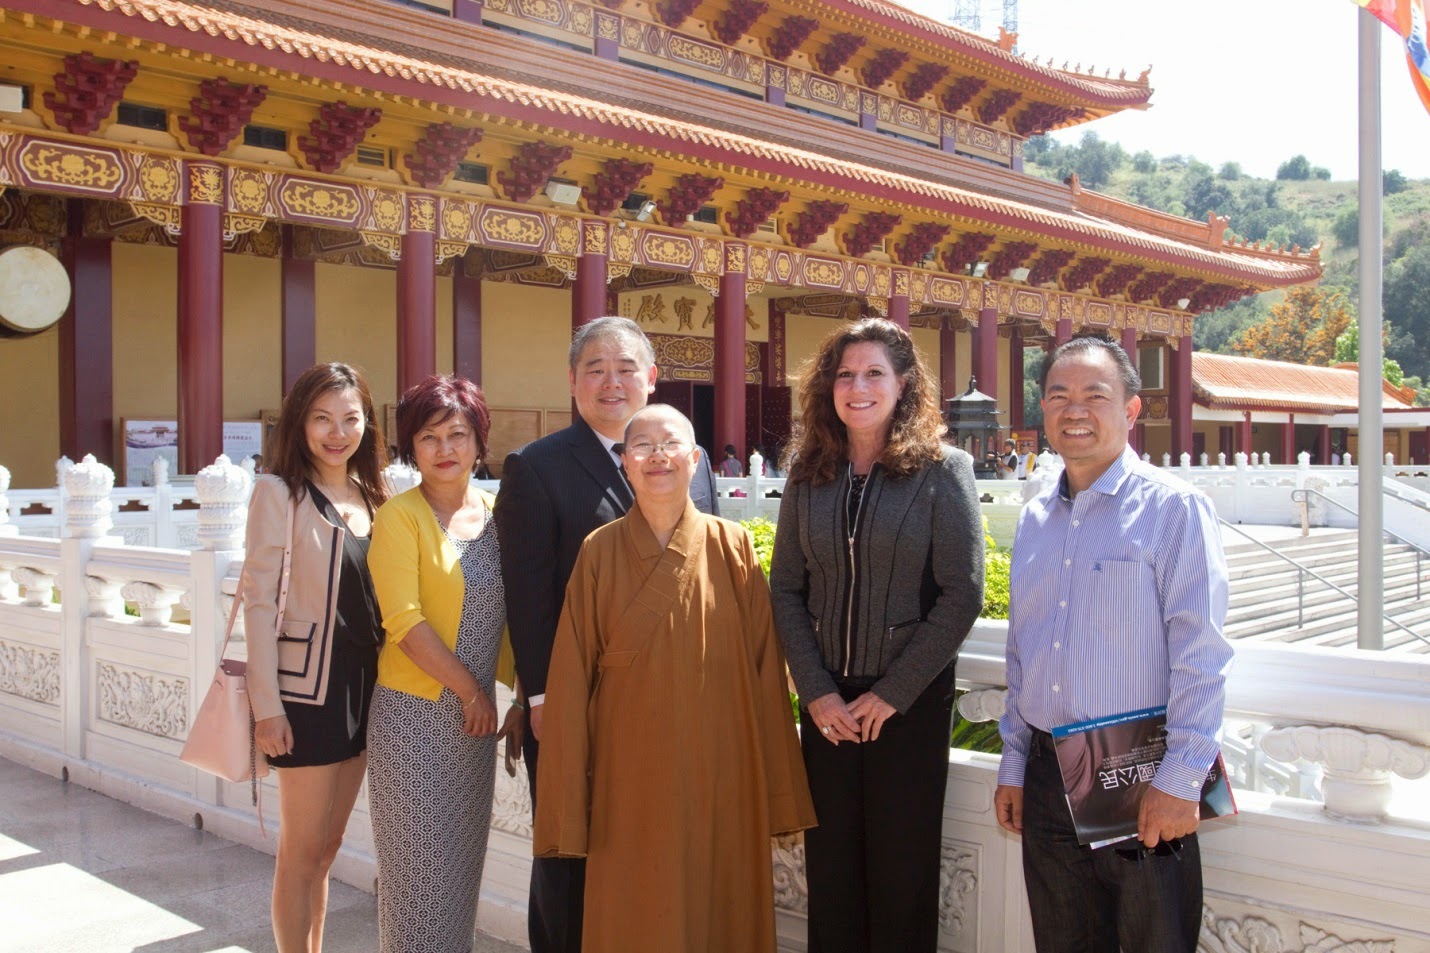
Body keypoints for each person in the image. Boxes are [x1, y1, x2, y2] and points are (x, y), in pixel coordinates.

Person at [533, 405, 815, 952]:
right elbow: (569, 679)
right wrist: (571, 792)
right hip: (626, 771)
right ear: (625, 465)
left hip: (721, 770)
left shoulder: (732, 545)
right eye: (641, 446)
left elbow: (765, 671)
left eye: (671, 445)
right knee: (636, 909)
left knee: (720, 906)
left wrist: (776, 787)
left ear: (695, 459)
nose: (657, 456)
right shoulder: (598, 551)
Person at [994, 336, 1232, 953]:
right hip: (1050, 774)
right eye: (1058, 396)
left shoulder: (1174, 509)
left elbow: (1200, 650)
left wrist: (1183, 778)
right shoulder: (1035, 520)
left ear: (1131, 410)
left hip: (1141, 773)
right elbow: (1023, 652)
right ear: (1043, 412)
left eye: (1095, 396)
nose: (1075, 410)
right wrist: (1015, 764)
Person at [493, 316, 719, 953]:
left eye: (625, 369)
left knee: (653, 851)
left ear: (651, 379)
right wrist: (541, 700)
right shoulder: (536, 468)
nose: (611, 382)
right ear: (572, 382)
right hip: (577, 701)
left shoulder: (690, 462)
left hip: (672, 701)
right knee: (571, 854)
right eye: (595, 369)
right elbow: (530, 595)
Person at [769, 318, 985, 953]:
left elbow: (962, 593)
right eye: (844, 375)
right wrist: (816, 693)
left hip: (907, 708)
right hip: (828, 708)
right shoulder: (809, 473)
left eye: (873, 374)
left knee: (901, 876)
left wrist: (892, 694)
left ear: (903, 384)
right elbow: (786, 589)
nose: (857, 388)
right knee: (831, 872)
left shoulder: (944, 471)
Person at [366, 375, 516, 953]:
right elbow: (402, 622)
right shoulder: (399, 517)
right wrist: (471, 691)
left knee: (458, 874)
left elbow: (526, 611)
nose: (445, 449)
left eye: (458, 434)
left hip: (473, 726)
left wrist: (520, 698)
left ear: (480, 441)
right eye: (429, 437)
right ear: (410, 447)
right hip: (415, 720)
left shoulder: (502, 512)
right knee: (416, 880)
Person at [244, 362, 388, 953]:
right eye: (322, 418)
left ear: (368, 425)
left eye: (350, 418)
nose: (337, 432)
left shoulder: (376, 495)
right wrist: (266, 707)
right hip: (306, 692)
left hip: (366, 687)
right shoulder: (280, 492)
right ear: (300, 424)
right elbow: (256, 603)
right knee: (299, 852)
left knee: (327, 851)